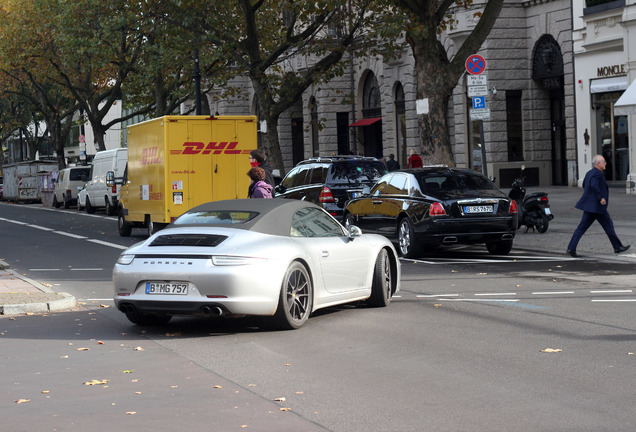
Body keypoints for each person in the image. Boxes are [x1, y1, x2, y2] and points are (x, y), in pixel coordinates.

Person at [566, 154, 630, 257]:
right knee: (608, 225)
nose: (606, 163)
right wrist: (601, 198)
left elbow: (584, 185)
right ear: (599, 163)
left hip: (589, 207)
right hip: (597, 207)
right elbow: (594, 185)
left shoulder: (589, 173)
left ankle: (571, 248)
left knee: (581, 228)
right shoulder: (597, 174)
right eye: (604, 161)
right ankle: (617, 247)